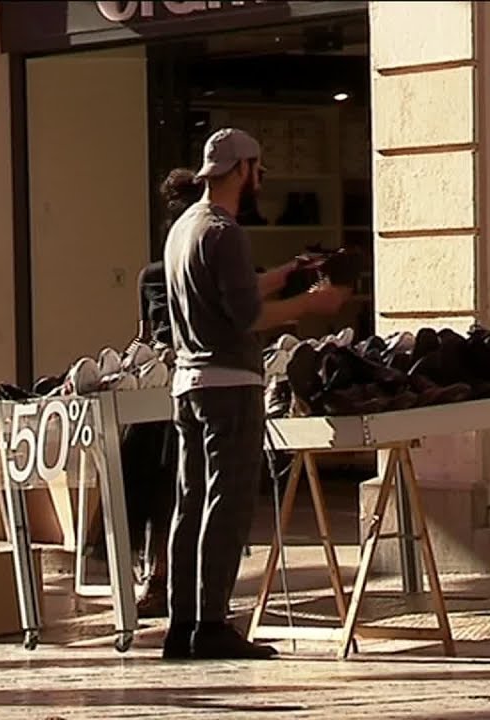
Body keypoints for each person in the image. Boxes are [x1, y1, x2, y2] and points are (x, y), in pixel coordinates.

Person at [163, 128, 350, 660]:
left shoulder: (185, 227)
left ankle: (183, 624)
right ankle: (213, 625)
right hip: (230, 385)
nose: (261, 180)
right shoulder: (226, 232)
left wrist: (287, 274)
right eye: (258, 170)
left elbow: (229, 291)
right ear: (243, 169)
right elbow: (247, 316)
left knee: (190, 503)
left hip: (189, 384)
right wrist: (312, 304)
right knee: (227, 504)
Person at [124, 167, 203, 618]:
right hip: (163, 387)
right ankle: (156, 576)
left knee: (177, 482)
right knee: (154, 480)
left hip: (193, 384)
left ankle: (170, 577)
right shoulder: (153, 277)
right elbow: (146, 334)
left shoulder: (203, 271)